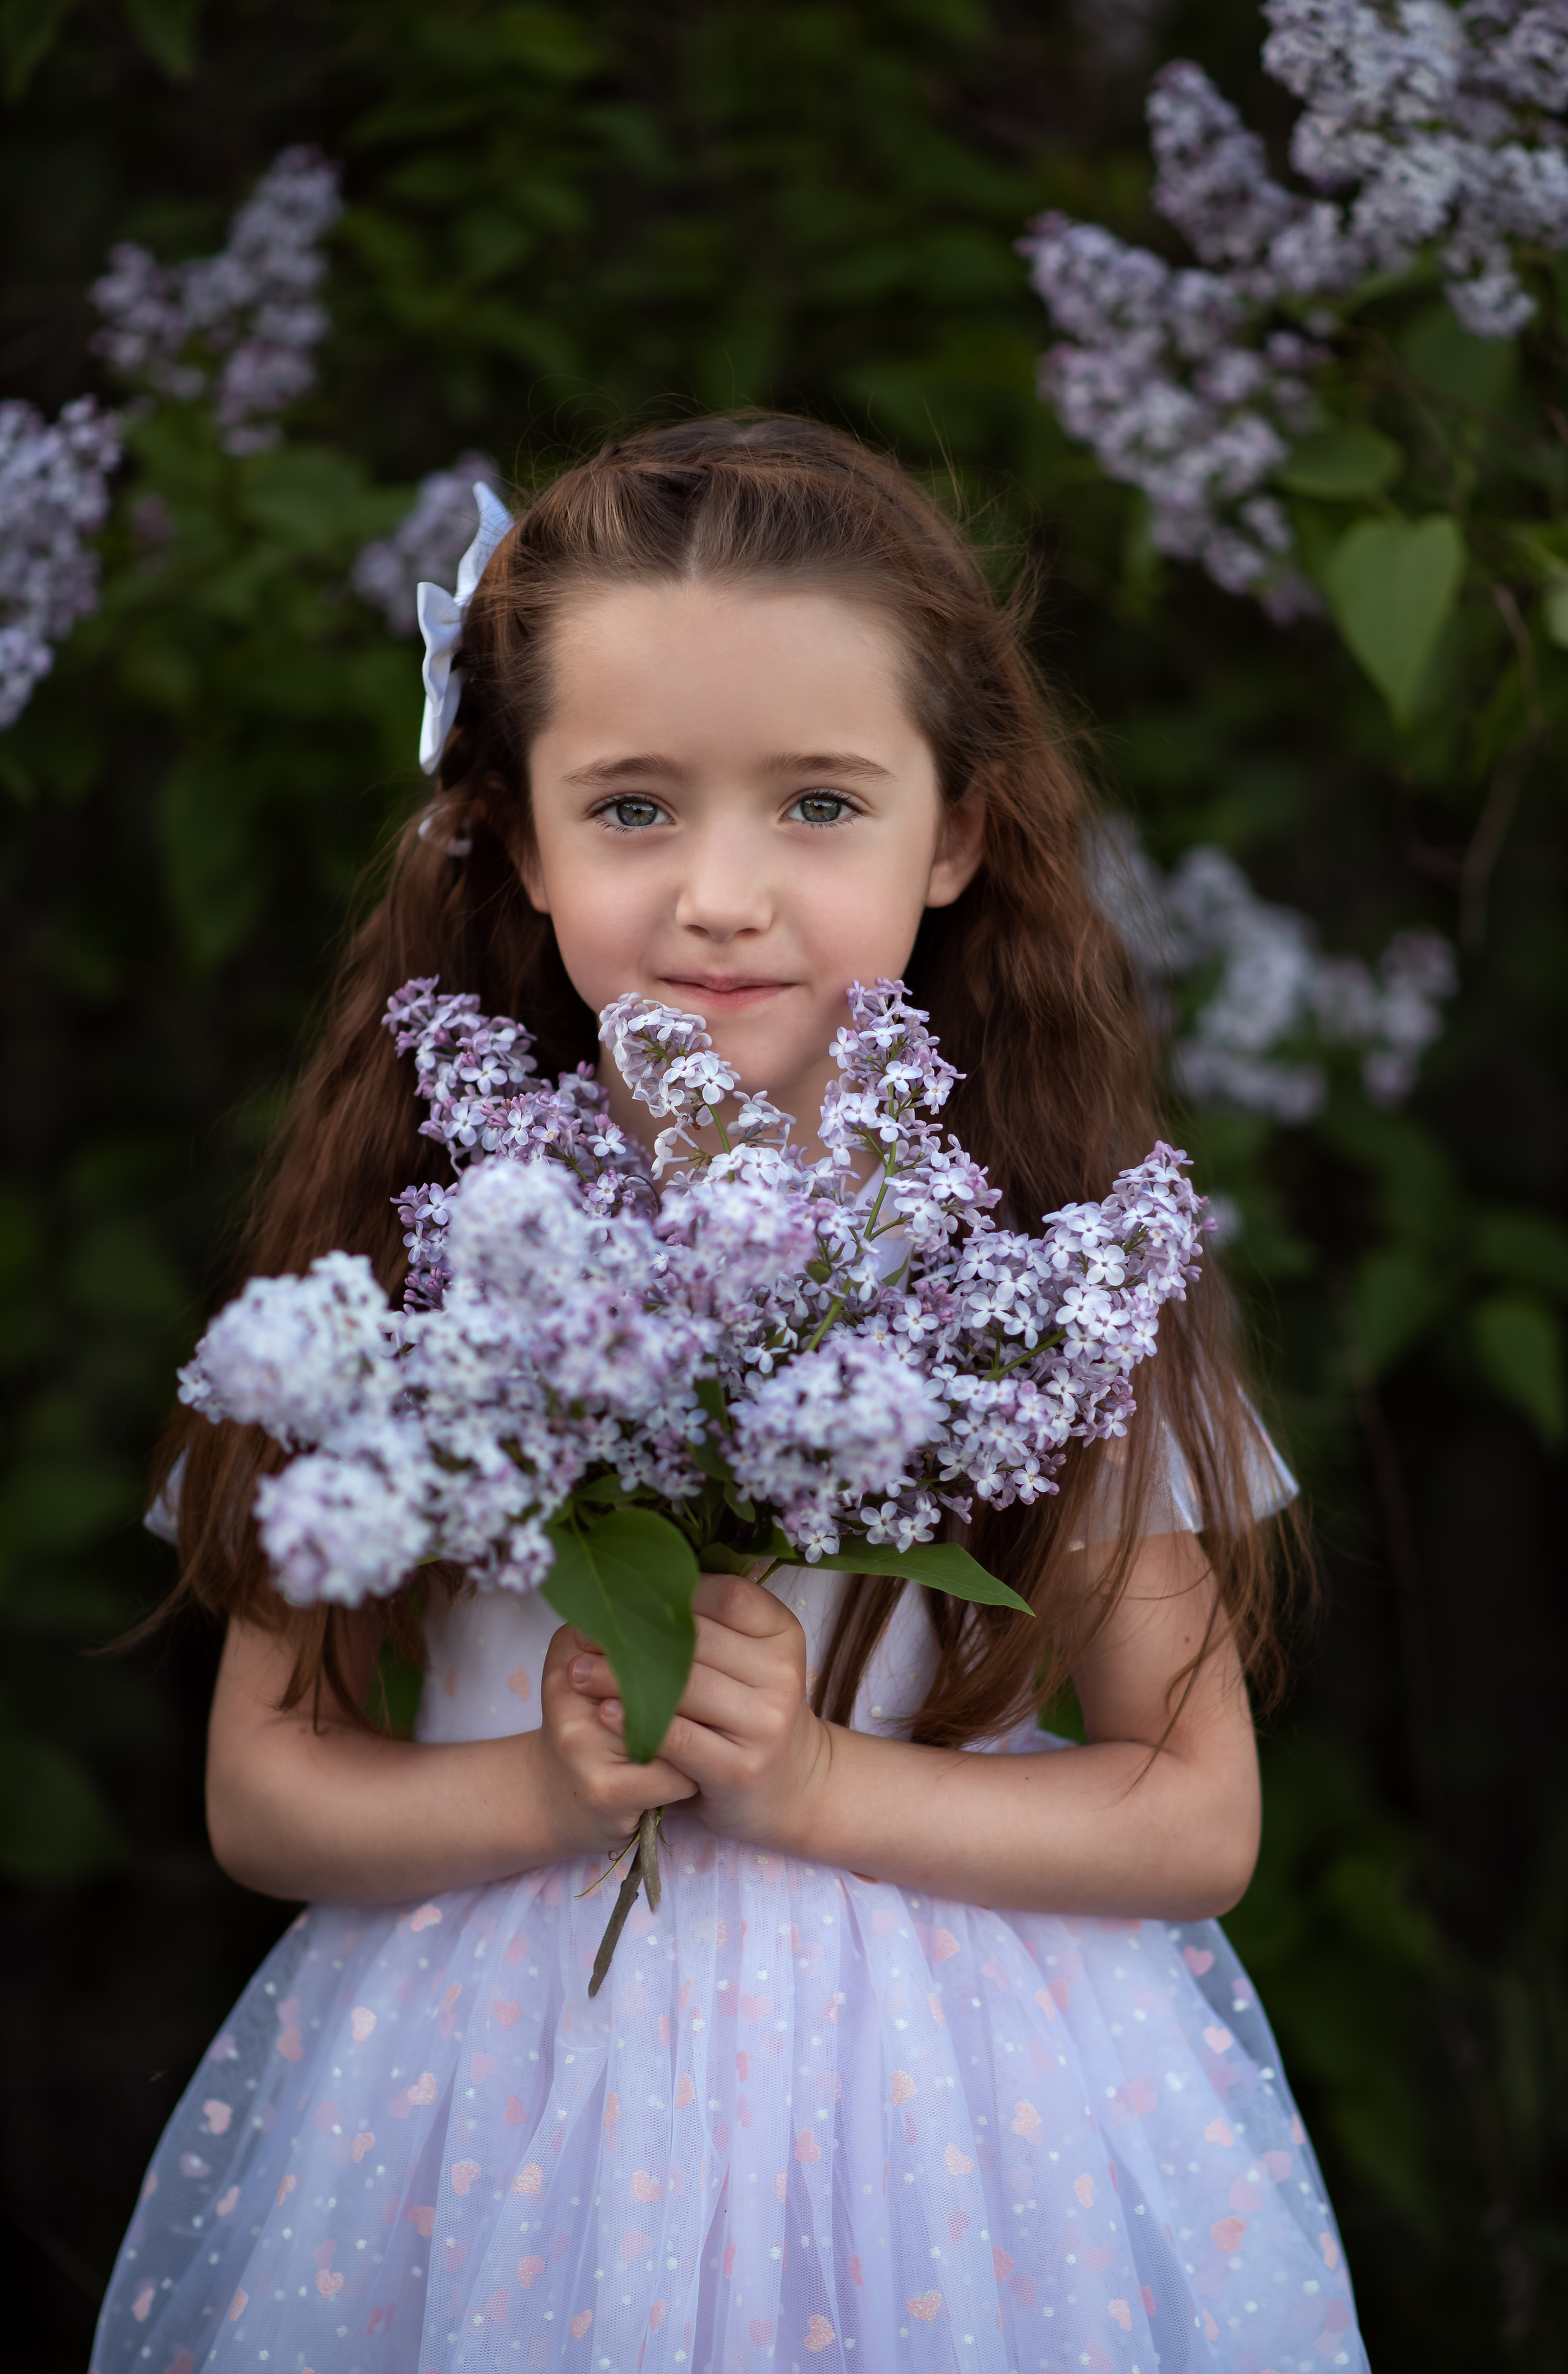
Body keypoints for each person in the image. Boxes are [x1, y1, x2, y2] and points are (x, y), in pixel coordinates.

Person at [92, 415, 1366, 2374]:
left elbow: (1193, 1818)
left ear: (955, 833)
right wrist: (533, 1783)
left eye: (819, 805)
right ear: (513, 830)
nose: (719, 892)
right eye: (630, 808)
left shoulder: (1054, 1274)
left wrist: (814, 1781)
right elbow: (267, 1789)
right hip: (493, 2098)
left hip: (968, 2122)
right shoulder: (404, 1262)